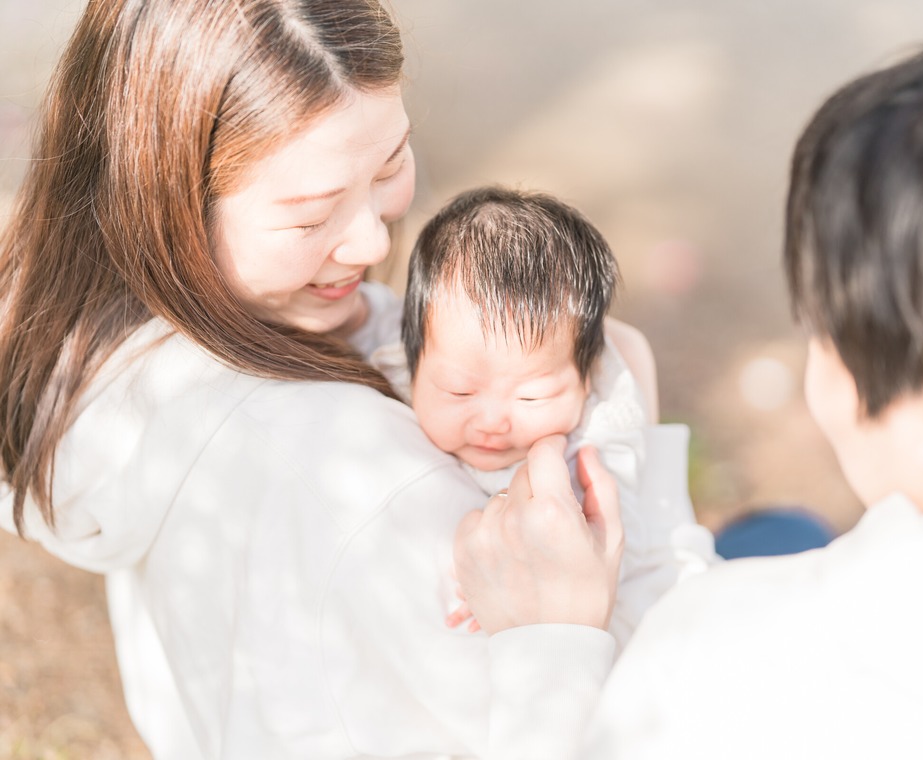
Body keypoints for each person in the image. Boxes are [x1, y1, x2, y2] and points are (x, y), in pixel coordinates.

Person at [455, 24, 923, 758]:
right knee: (782, 533)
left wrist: (547, 648)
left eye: (821, 332)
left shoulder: (728, 667)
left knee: (768, 540)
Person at [0, 1, 626, 758]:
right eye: (310, 218)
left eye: (391, 164)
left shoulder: (133, 378)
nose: (372, 238)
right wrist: (560, 637)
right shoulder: (363, 471)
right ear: (165, 219)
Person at [363, 185, 714, 645]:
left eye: (533, 397)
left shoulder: (599, 434)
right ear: (412, 363)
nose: (493, 420)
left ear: (590, 380)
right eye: (459, 390)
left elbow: (635, 542)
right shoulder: (380, 393)